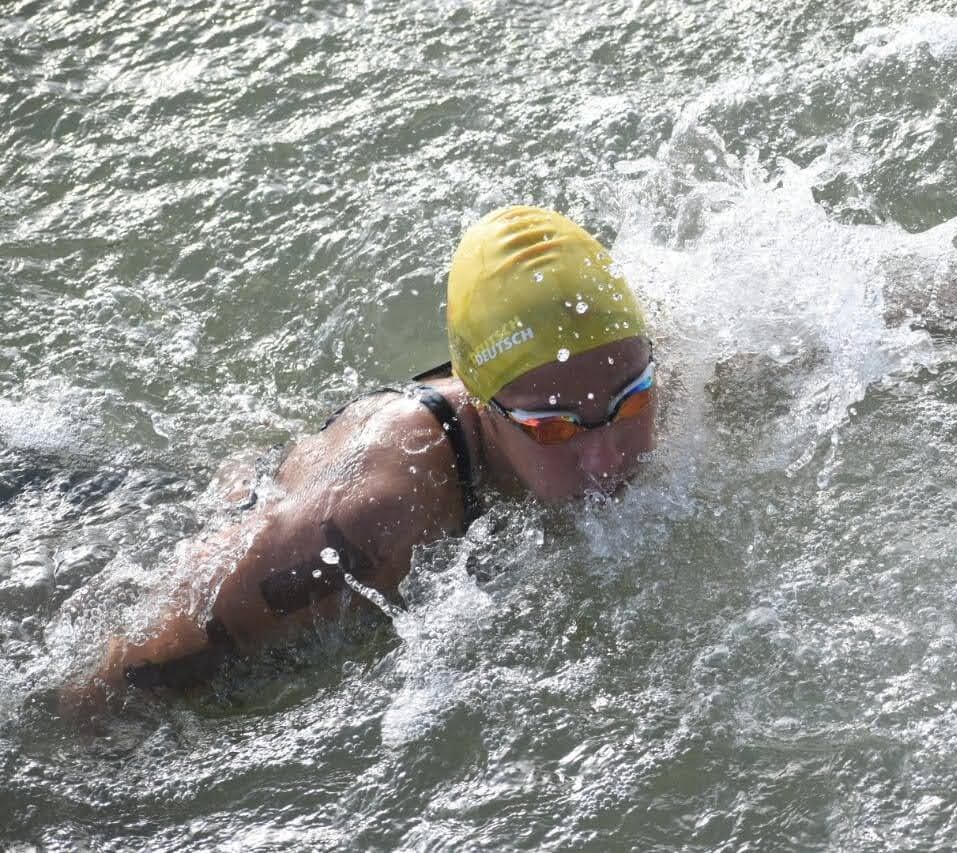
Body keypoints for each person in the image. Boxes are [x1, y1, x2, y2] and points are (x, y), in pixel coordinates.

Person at [59, 205, 657, 714]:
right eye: (553, 427)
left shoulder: (645, 375)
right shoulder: (375, 516)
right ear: (479, 397)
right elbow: (118, 674)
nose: (605, 461)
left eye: (629, 404)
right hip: (100, 517)